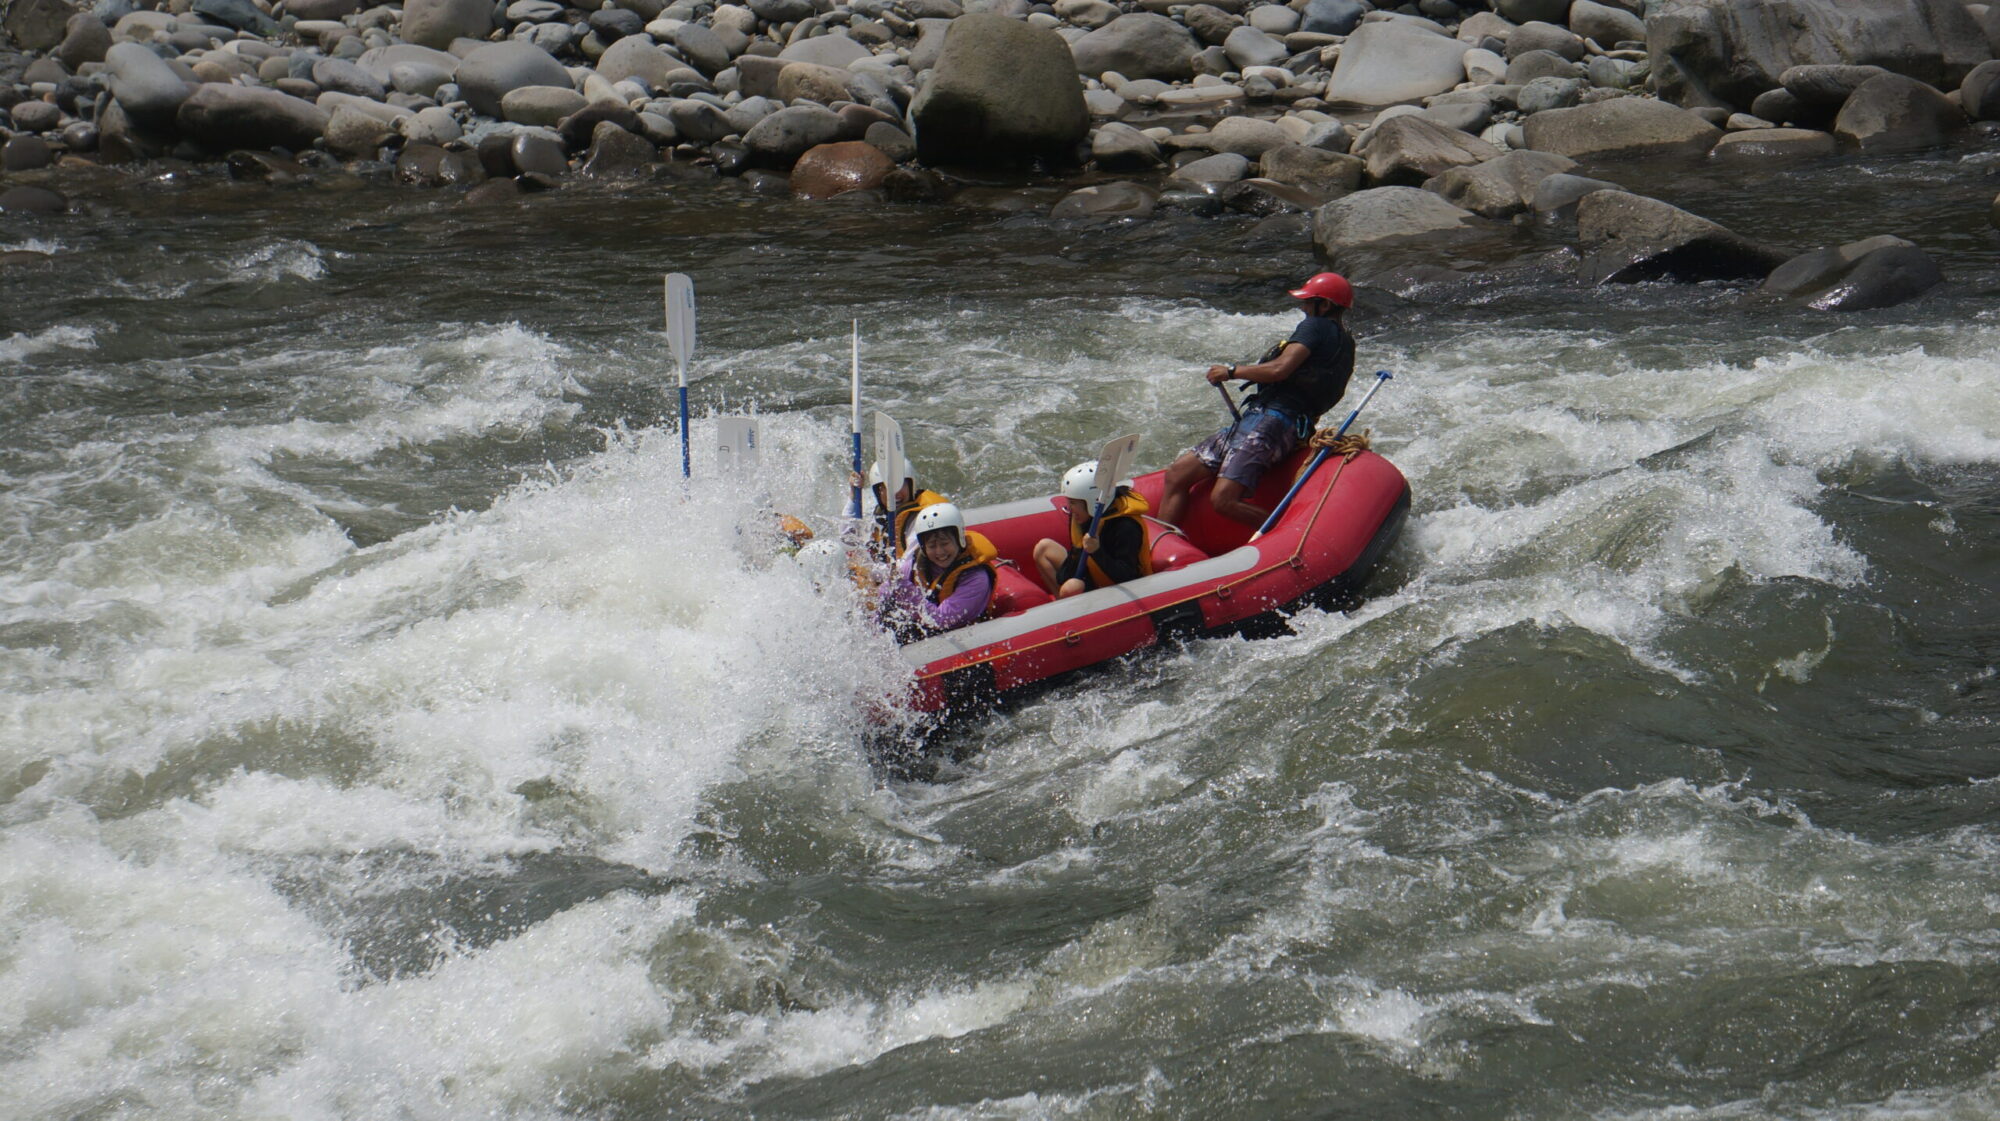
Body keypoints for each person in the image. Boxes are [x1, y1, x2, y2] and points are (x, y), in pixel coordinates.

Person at [1158, 271, 1358, 529]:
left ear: (1326, 305)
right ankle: (1162, 544)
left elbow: (1279, 370)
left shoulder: (1315, 326)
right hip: (1267, 419)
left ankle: (1289, 536)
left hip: (1271, 423)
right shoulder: (1345, 342)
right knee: (1177, 474)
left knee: (1224, 500)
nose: (1303, 307)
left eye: (1308, 301)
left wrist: (1231, 372)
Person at [1031, 460, 1151, 599]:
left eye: (1073, 503)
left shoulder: (1126, 526)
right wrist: (1078, 553)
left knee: (1071, 588)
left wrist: (1096, 552)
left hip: (1126, 589)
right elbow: (1066, 574)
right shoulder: (1081, 517)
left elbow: (1127, 577)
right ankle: (1063, 606)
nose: (1069, 508)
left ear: (1092, 502)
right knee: (1043, 548)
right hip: (1094, 574)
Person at [877, 503, 997, 641]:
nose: (940, 552)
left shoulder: (976, 578)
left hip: (965, 639)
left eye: (945, 543)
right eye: (932, 546)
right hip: (930, 631)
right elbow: (887, 590)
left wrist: (904, 589)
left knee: (905, 632)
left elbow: (941, 620)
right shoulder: (918, 563)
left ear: (959, 540)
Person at [857, 460, 947, 561]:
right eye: (886, 487)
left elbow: (909, 565)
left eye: (900, 484)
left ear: (911, 485)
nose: (894, 493)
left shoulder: (926, 517)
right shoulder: (878, 516)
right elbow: (848, 541)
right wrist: (853, 495)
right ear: (878, 492)